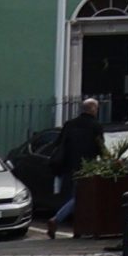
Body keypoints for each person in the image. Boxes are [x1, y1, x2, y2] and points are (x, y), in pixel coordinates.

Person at [45, 95, 108, 237]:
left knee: (77, 196)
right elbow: (101, 147)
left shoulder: (69, 124)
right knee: (81, 197)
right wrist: (108, 161)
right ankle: (58, 219)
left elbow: (59, 143)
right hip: (87, 167)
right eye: (97, 108)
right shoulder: (95, 126)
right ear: (93, 110)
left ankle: (77, 228)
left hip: (69, 166)